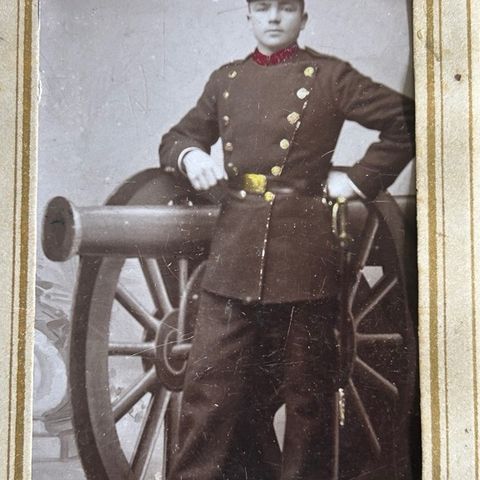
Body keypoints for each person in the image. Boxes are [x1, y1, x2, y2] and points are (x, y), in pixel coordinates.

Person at [159, 1, 415, 479]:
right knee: (206, 393)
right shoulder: (226, 80)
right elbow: (175, 138)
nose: (274, 17)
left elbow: (406, 120)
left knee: (306, 403)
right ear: (248, 17)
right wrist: (191, 155)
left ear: (303, 18)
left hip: (303, 254)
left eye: (286, 8)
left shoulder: (329, 76)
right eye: (263, 7)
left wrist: (359, 179)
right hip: (235, 251)